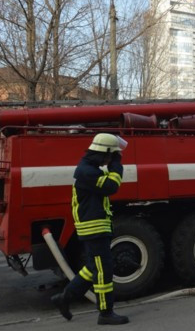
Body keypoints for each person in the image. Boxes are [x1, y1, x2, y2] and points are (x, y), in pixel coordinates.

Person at [51, 133, 129, 325]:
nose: (110, 160)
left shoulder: (89, 169)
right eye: (111, 156)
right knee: (104, 270)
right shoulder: (87, 171)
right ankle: (105, 312)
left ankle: (65, 298)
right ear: (104, 153)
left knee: (94, 268)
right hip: (93, 228)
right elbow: (112, 186)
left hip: (95, 226)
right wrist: (117, 164)